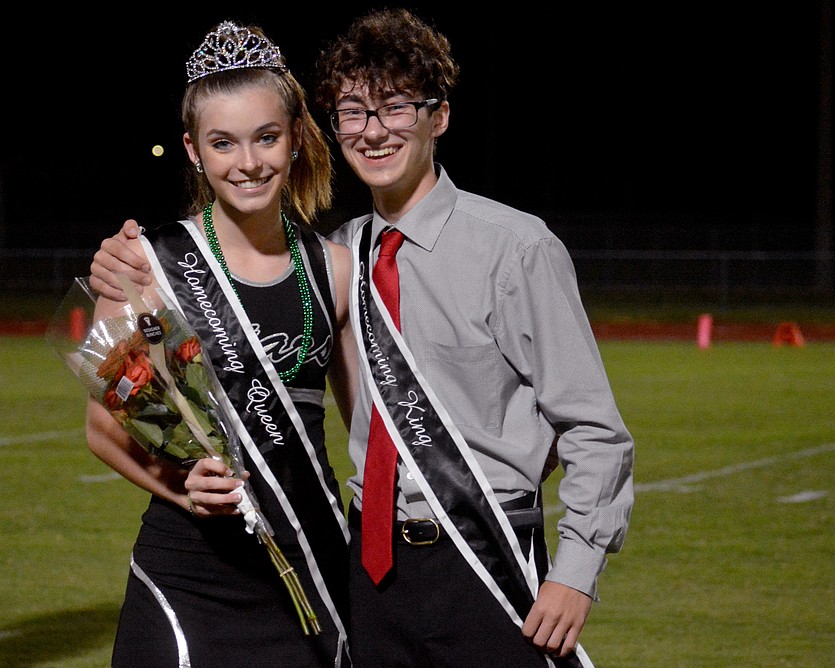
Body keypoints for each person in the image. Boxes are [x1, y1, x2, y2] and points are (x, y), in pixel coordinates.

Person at [91, 8, 634, 667]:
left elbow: (591, 429)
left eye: (396, 108)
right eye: (355, 112)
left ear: (439, 117)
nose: (374, 131)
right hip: (367, 580)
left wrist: (573, 567)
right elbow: (360, 416)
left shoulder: (500, 250)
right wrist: (126, 266)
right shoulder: (336, 255)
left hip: (478, 555)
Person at [85, 20, 357, 667]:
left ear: (294, 140)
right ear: (193, 150)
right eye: (224, 143)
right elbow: (102, 425)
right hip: (187, 576)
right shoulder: (142, 265)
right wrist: (185, 487)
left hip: (308, 565)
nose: (249, 162)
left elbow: (370, 428)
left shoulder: (336, 268)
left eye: (266, 137)